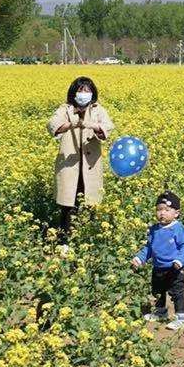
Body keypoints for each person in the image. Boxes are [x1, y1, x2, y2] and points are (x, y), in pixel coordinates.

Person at [47, 75, 114, 243]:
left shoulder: (98, 109)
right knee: (67, 205)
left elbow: (107, 128)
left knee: (90, 203)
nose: (84, 94)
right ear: (74, 93)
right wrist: (73, 124)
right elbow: (53, 125)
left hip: (90, 165)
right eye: (81, 90)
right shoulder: (65, 109)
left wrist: (94, 125)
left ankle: (87, 239)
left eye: (88, 91)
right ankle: (64, 241)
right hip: (69, 166)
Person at [131, 190, 184, 330]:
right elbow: (149, 248)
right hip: (158, 267)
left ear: (176, 213)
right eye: (159, 209)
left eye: (167, 210)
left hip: (175, 268)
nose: (162, 213)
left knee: (177, 293)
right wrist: (139, 258)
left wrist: (180, 260)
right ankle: (160, 312)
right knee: (157, 290)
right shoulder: (154, 229)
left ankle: (181, 318)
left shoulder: (179, 229)